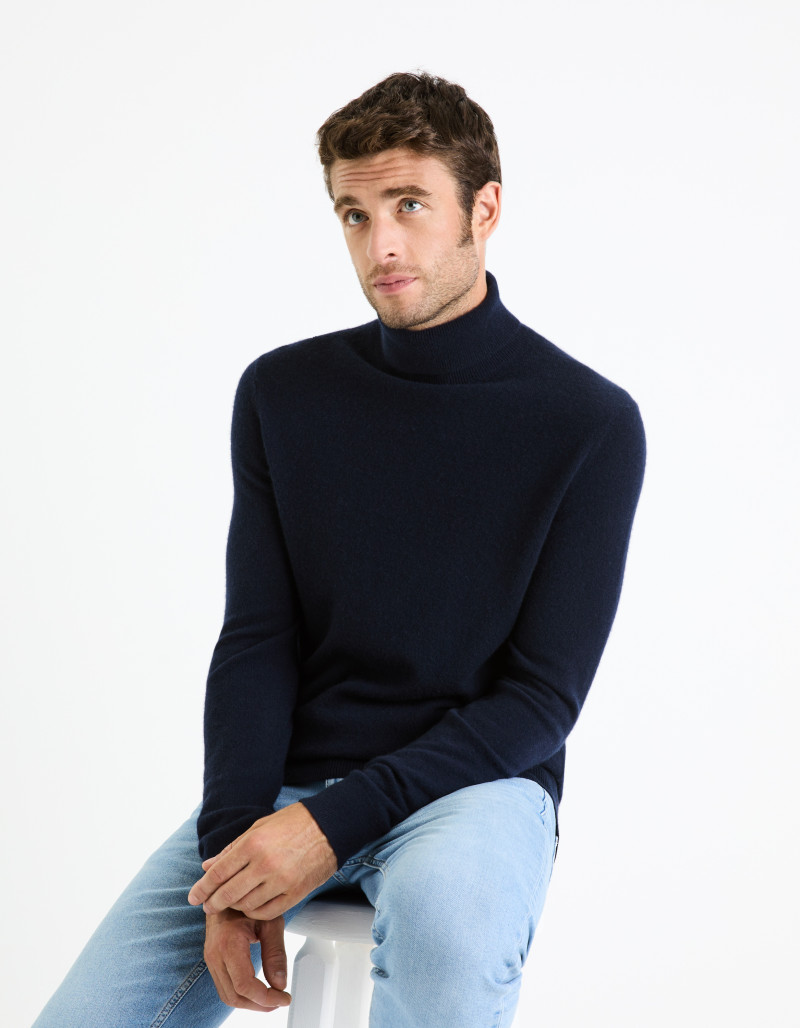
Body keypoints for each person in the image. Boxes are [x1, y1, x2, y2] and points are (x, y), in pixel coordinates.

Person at [33, 71, 646, 1028]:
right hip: (280, 792)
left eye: (410, 205)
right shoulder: (283, 393)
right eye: (354, 215)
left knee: (449, 940)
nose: (381, 244)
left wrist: (332, 824)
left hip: (472, 792)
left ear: (484, 209)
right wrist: (234, 845)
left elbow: (540, 699)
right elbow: (257, 638)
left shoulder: (588, 423)